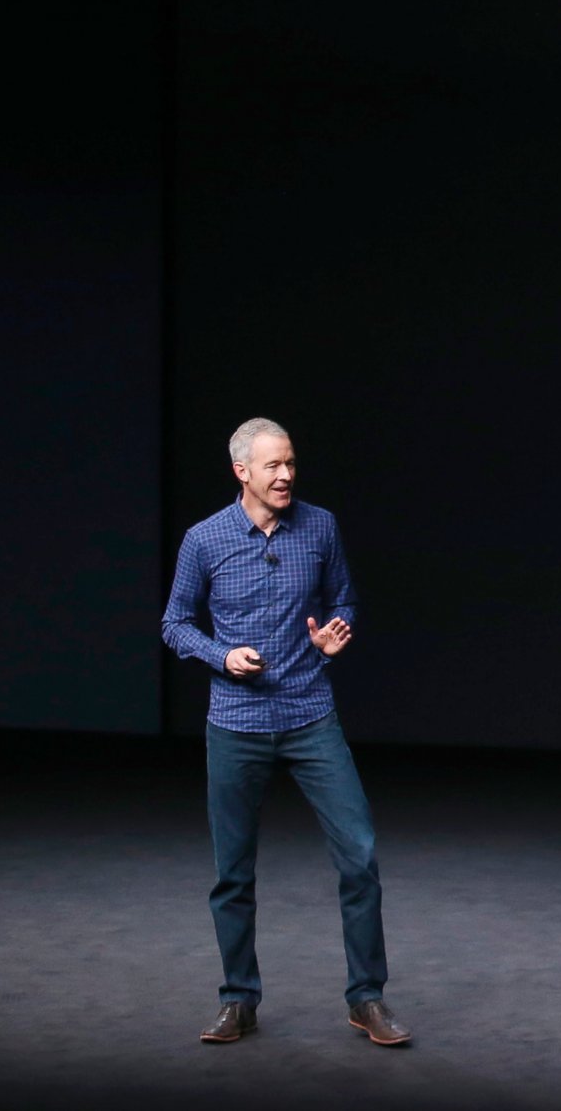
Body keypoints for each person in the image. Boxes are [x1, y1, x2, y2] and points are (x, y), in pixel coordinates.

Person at [160, 417, 411, 1046]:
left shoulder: (319, 526)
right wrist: (222, 657)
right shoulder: (204, 539)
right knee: (233, 873)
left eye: (291, 463)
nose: (286, 476)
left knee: (359, 853)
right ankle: (238, 1000)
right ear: (241, 472)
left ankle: (367, 998)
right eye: (273, 466)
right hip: (236, 724)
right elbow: (175, 623)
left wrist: (332, 634)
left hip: (309, 715)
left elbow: (345, 599)